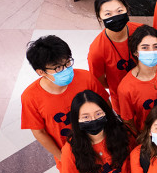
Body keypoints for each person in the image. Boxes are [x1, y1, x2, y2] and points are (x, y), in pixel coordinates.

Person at [21, 35, 107, 165]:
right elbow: (40, 132)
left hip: (101, 146)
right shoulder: (30, 97)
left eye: (67, 63)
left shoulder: (86, 78)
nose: (65, 69)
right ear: (41, 72)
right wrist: (63, 158)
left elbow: (106, 106)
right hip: (70, 154)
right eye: (58, 68)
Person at [87, 0, 139, 112]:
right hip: (121, 99)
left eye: (120, 11)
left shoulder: (140, 31)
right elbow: (99, 80)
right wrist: (117, 86)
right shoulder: (97, 49)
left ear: (127, 9)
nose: (115, 17)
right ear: (99, 17)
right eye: (108, 14)